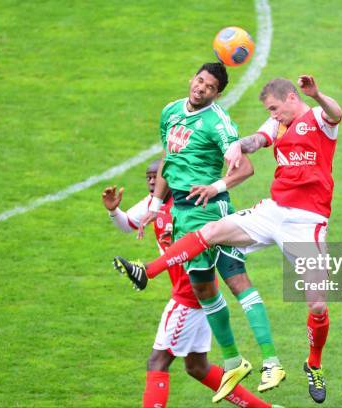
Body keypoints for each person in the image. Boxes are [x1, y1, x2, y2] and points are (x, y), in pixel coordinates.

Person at [115, 75, 342, 404]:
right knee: (210, 233)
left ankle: (314, 364)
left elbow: (336, 113)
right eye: (269, 111)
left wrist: (318, 94)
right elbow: (257, 140)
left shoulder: (318, 119)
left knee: (318, 304)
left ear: (293, 98)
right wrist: (237, 145)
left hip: (307, 222)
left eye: (275, 108)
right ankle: (147, 271)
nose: (273, 115)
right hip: (275, 210)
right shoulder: (276, 124)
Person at [102, 160, 280, 408]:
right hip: (198, 294)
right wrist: (113, 211)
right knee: (197, 367)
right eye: (149, 178)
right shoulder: (153, 205)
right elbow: (127, 224)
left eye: (157, 176)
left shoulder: (188, 202)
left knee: (157, 362)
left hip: (189, 293)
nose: (153, 181)